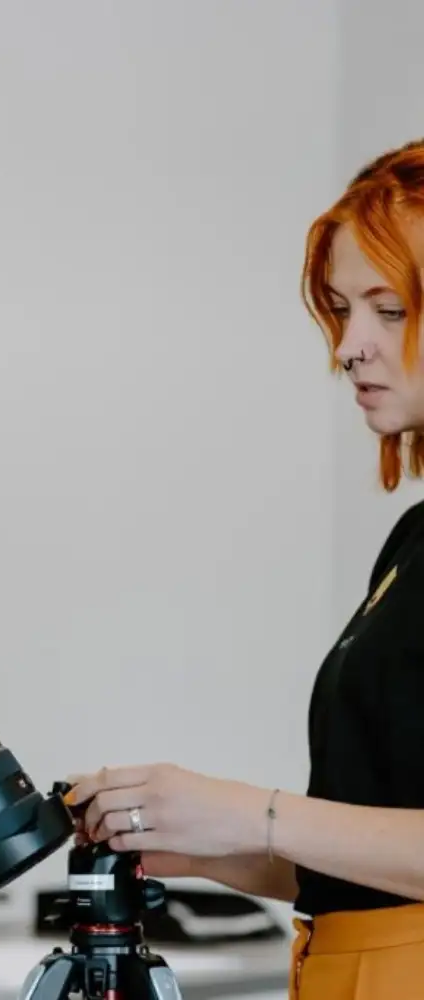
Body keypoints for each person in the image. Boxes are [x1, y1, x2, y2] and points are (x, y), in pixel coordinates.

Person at [65, 139, 424, 999]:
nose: (348, 346)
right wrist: (201, 847)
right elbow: (361, 874)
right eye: (341, 310)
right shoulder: (408, 547)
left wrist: (251, 811)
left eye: (390, 311)